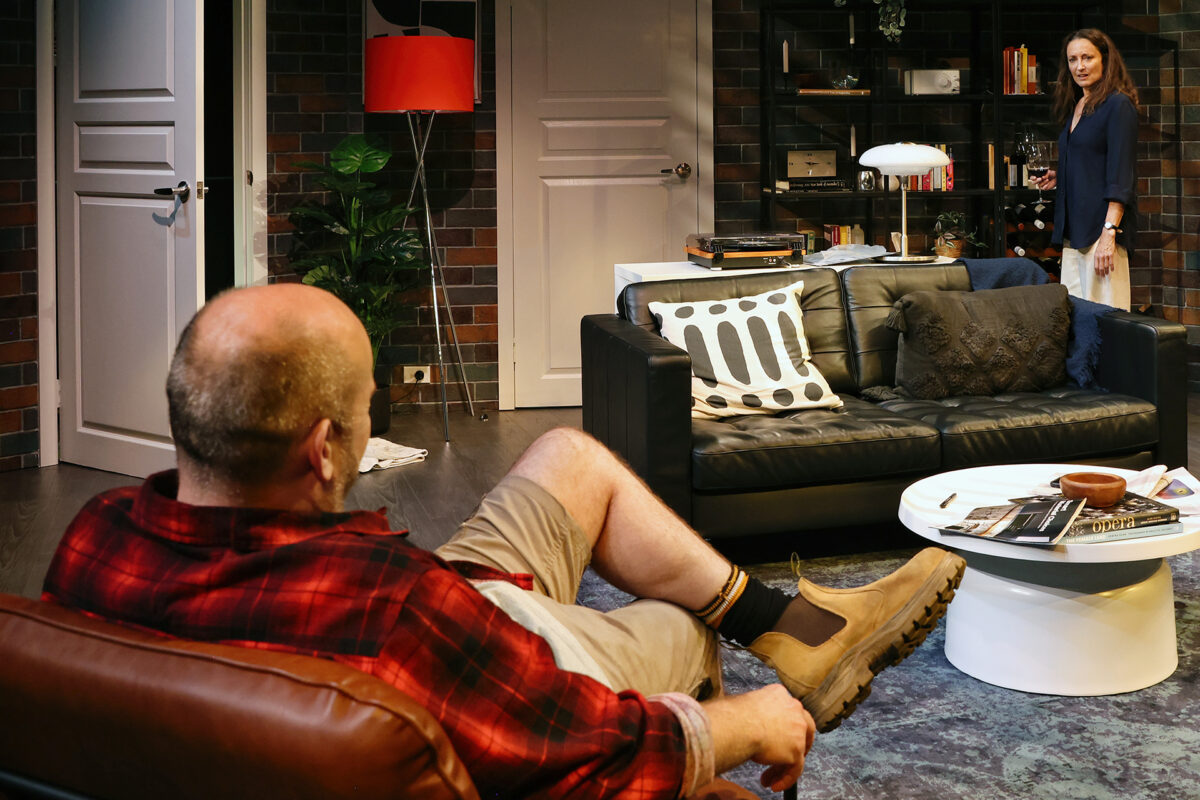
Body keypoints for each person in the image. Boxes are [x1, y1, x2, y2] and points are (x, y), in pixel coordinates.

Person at [42, 284, 965, 799]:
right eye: (370, 411)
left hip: (393, 615)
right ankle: (792, 653)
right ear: (325, 452)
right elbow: (594, 751)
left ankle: (796, 627)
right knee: (675, 630)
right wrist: (746, 724)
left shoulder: (96, 537)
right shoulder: (399, 610)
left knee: (568, 455)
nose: (372, 423)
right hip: (443, 644)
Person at [1031, 28, 1138, 311]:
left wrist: (1109, 233)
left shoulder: (1118, 105)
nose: (1080, 66)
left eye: (1087, 58)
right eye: (1073, 59)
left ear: (1105, 59)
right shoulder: (1078, 104)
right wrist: (1060, 176)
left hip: (1100, 231)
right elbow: (1090, 160)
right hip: (1073, 232)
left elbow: (1121, 173)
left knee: (1108, 321)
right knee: (1078, 319)